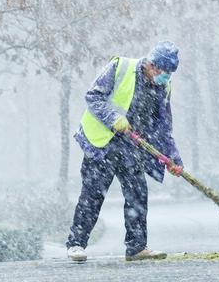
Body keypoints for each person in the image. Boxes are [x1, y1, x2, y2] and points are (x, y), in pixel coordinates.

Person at [66, 41, 184, 262]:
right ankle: (76, 244)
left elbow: (164, 126)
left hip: (131, 146)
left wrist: (173, 158)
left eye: (168, 74)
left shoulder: (163, 86)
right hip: (102, 142)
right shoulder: (120, 68)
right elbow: (93, 96)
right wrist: (114, 118)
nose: (164, 77)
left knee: (137, 194)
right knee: (93, 193)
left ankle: (137, 248)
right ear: (151, 64)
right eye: (162, 72)